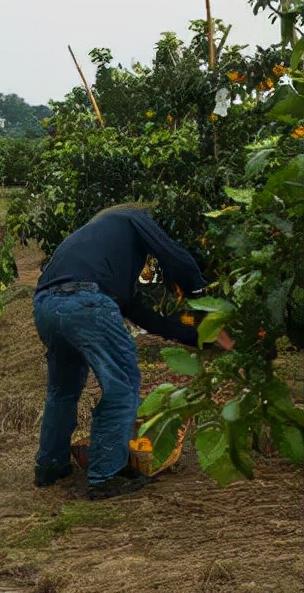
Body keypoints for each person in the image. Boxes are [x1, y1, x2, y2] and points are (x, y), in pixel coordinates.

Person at [32, 204, 234, 500]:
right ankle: (104, 476)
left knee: (63, 389)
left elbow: (141, 314)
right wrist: (203, 301)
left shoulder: (99, 249)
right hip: (86, 301)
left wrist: (199, 337)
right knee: (122, 386)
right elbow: (175, 257)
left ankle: (50, 465)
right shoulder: (135, 216)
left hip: (46, 305)